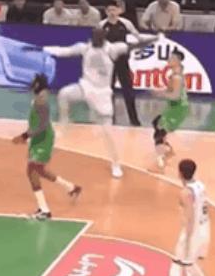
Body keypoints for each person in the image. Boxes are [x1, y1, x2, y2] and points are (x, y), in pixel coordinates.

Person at [41, 28, 160, 178]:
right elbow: (64, 51)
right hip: (85, 87)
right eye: (94, 37)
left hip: (102, 94)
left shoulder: (113, 49)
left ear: (104, 38)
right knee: (64, 94)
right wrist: (44, 49)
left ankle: (115, 164)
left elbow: (135, 46)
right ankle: (65, 123)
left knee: (108, 134)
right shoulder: (85, 48)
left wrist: (154, 38)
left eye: (98, 37)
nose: (95, 40)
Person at [12, 74, 81, 220]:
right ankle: (71, 187)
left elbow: (42, 125)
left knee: (32, 170)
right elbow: (36, 122)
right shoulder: (39, 98)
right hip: (38, 139)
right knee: (40, 171)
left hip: (43, 139)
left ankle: (44, 210)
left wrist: (25, 136)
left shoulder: (41, 101)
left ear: (37, 85)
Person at [156, 159, 215, 276]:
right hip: (205, 228)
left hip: (193, 232)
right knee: (189, 264)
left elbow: (190, 218)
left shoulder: (185, 193)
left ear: (180, 173)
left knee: (176, 264)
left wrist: (188, 241)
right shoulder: (201, 186)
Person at [99, 1, 142, 126]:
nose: (112, 13)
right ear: (106, 12)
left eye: (114, 10)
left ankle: (134, 120)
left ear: (118, 11)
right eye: (109, 10)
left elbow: (137, 36)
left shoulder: (125, 23)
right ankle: (109, 117)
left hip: (122, 60)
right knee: (108, 90)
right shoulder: (102, 25)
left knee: (128, 89)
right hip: (108, 62)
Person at [151, 50, 188, 170]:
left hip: (178, 109)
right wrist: (161, 91)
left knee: (159, 132)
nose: (168, 60)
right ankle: (167, 149)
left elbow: (175, 96)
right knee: (157, 124)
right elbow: (171, 91)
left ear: (177, 61)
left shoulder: (177, 77)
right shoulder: (175, 73)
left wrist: (159, 94)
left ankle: (160, 162)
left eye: (171, 58)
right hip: (174, 107)